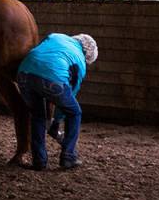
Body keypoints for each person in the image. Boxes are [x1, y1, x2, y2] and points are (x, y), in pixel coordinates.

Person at [16, 32, 98, 171]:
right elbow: (68, 97)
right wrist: (56, 121)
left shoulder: (55, 36)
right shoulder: (80, 62)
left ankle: (39, 161)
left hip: (23, 74)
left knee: (37, 116)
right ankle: (68, 156)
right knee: (74, 112)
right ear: (86, 55)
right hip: (53, 79)